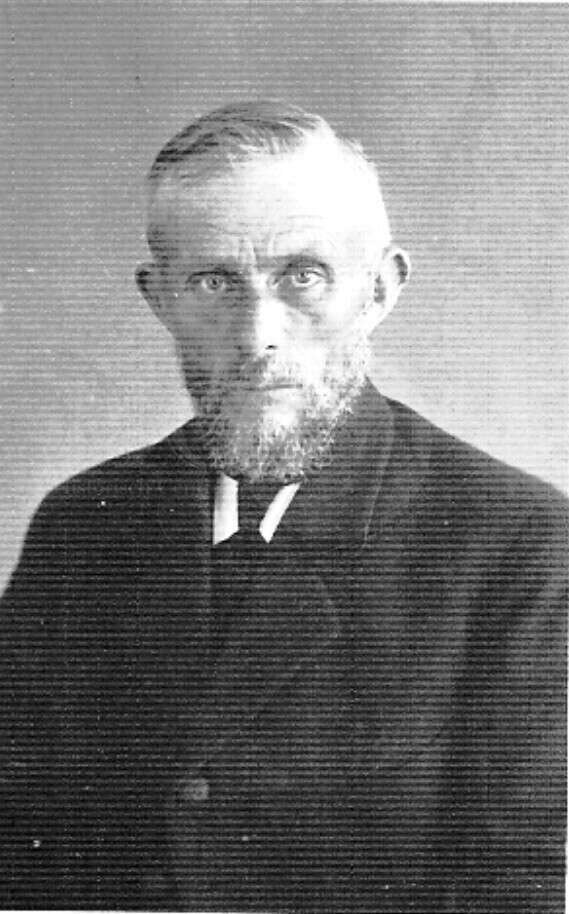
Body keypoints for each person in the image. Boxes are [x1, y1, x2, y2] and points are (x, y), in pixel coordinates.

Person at [1, 101, 566, 914]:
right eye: (213, 282)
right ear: (158, 298)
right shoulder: (83, 524)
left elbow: (522, 883)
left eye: (302, 276)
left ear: (379, 289)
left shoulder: (522, 545)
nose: (256, 334)